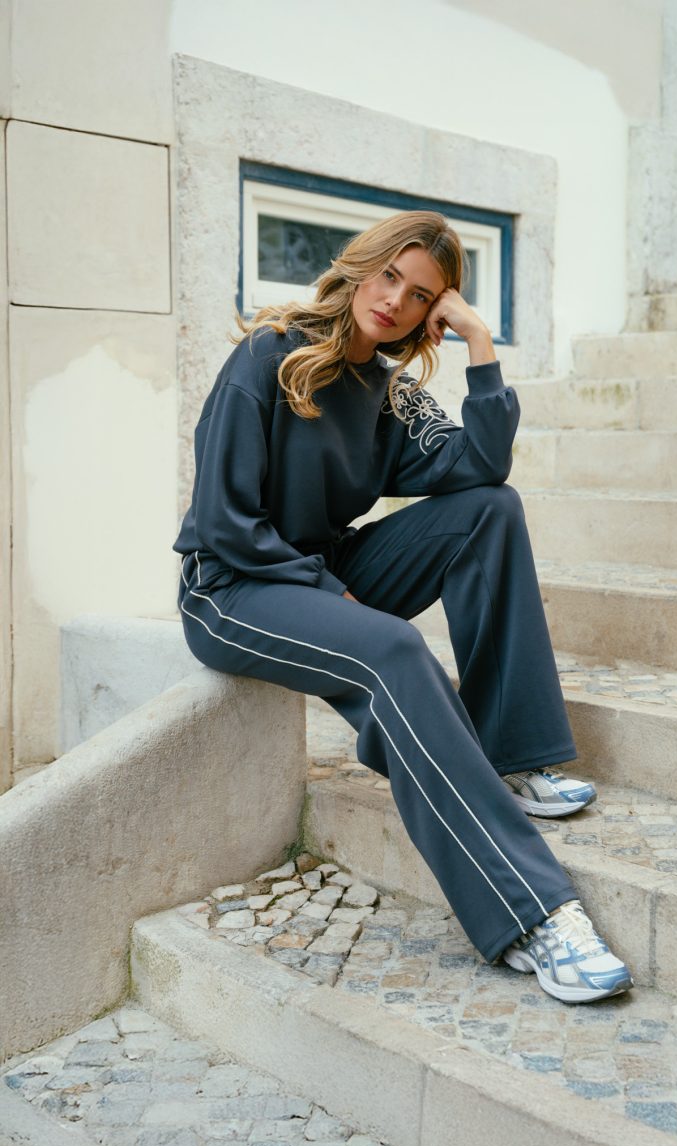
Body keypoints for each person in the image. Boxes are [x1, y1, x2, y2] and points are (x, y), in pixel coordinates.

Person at [173, 210, 633, 1004]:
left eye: (419, 295)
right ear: (362, 267)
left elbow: (480, 466)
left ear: (431, 312)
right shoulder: (269, 356)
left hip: (320, 570)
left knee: (490, 511)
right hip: (233, 587)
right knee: (391, 649)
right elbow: (223, 521)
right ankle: (532, 914)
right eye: (390, 276)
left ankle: (509, 754)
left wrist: (479, 343)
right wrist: (326, 590)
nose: (394, 301)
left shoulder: (389, 392)